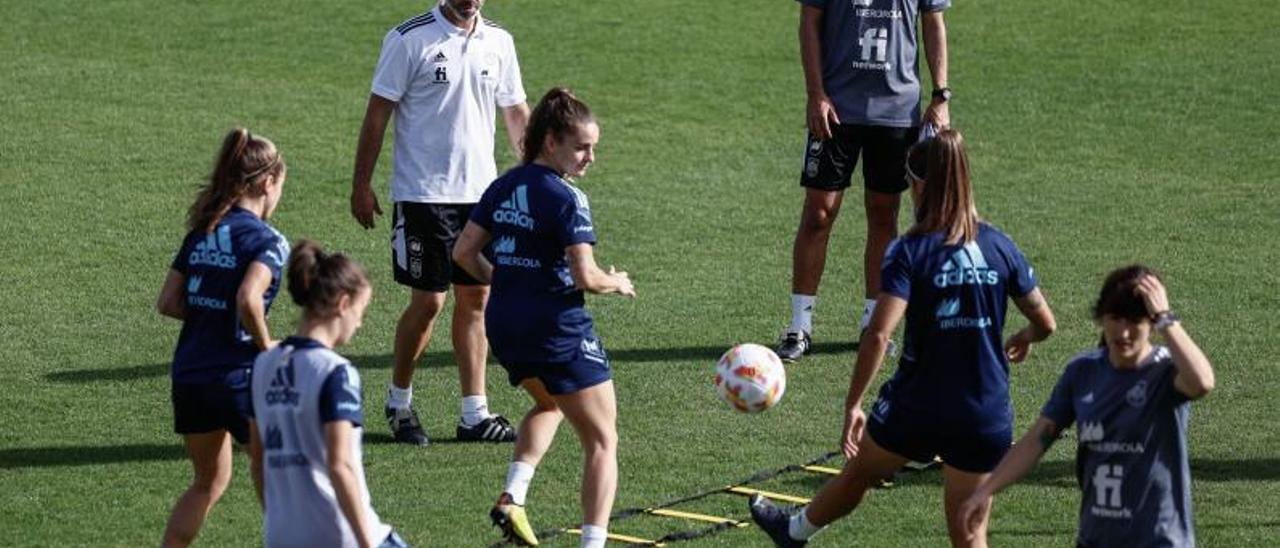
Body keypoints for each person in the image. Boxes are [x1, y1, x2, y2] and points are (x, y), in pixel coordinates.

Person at [749, 129, 1057, 547]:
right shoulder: (999, 246)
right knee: (969, 534)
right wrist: (1025, 335)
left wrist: (854, 403)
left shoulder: (910, 250)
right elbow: (1046, 321)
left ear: (917, 184)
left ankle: (795, 530)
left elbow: (879, 334)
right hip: (982, 411)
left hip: (919, 406)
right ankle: (792, 530)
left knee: (860, 472)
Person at [453, 88, 634, 548]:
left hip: (505, 326)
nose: (590, 157)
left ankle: (513, 496)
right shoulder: (567, 199)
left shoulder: (503, 185)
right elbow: (585, 275)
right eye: (582, 147)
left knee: (550, 404)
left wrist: (509, 280)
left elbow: (462, 252)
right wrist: (617, 281)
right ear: (550, 141)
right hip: (556, 329)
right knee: (603, 441)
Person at [350, 0, 532, 445]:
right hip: (423, 196)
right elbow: (378, 113)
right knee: (429, 302)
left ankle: (475, 413)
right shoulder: (409, 38)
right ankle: (398, 402)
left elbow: (515, 114)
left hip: (481, 198)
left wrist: (539, 177)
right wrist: (361, 184)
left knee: (477, 298)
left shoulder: (499, 42)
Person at [957, 266, 1214, 546]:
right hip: (1096, 539)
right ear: (1102, 317)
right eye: (1115, 318)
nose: (1124, 332)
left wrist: (1166, 317)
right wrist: (985, 492)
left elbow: (1202, 382)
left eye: (1135, 321)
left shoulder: (1166, 372)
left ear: (1151, 324)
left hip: (1158, 540)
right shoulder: (1083, 372)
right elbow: (1036, 440)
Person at [777, 0, 952, 361]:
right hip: (836, 109)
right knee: (818, 214)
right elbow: (809, 21)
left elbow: (933, 22)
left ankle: (874, 323)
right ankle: (800, 325)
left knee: (884, 213)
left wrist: (941, 95)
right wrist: (815, 93)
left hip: (897, 111)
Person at [155, 128, 291, 547]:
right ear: (268, 183)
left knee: (208, 483)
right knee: (281, 488)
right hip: (240, 378)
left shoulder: (203, 229)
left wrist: (210, 313)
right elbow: (249, 298)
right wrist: (267, 347)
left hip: (191, 376)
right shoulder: (268, 241)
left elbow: (169, 302)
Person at [248, 241, 409, 548]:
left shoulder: (262, 365)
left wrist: (282, 521)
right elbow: (340, 465)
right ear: (343, 304)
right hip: (341, 535)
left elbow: (258, 461)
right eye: (361, 311)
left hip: (282, 536)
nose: (360, 322)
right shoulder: (335, 372)